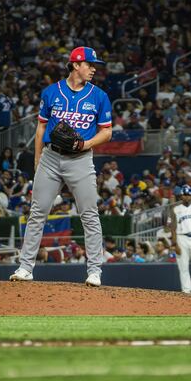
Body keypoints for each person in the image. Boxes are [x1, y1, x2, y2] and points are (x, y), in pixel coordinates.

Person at [10, 47, 113, 286]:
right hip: (51, 158)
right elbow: (41, 129)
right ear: (76, 65)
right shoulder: (51, 92)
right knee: (37, 212)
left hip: (81, 159)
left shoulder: (99, 96)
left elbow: (107, 132)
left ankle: (95, 271)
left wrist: (85, 143)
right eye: (90, 64)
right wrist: (38, 161)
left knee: (89, 215)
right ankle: (25, 267)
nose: (94, 68)